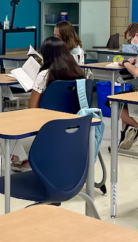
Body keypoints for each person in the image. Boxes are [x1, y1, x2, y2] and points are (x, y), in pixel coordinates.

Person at [10, 37, 86, 172]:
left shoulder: (45, 75)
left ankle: (22, 158)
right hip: (74, 120)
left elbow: (32, 107)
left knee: (14, 119)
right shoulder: (79, 73)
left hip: (47, 121)